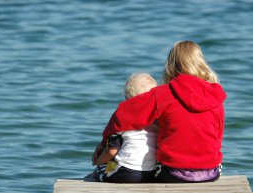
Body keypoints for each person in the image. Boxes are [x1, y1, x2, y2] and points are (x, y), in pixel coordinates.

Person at [92, 41, 227, 183]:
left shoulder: (163, 94)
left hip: (172, 174)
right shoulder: (215, 96)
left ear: (171, 65)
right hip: (211, 173)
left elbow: (123, 114)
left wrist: (104, 143)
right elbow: (217, 136)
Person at [92, 73, 158, 183]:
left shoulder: (123, 120)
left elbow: (112, 150)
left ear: (127, 99)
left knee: (99, 170)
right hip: (151, 173)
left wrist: (99, 162)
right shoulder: (156, 121)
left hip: (126, 172)